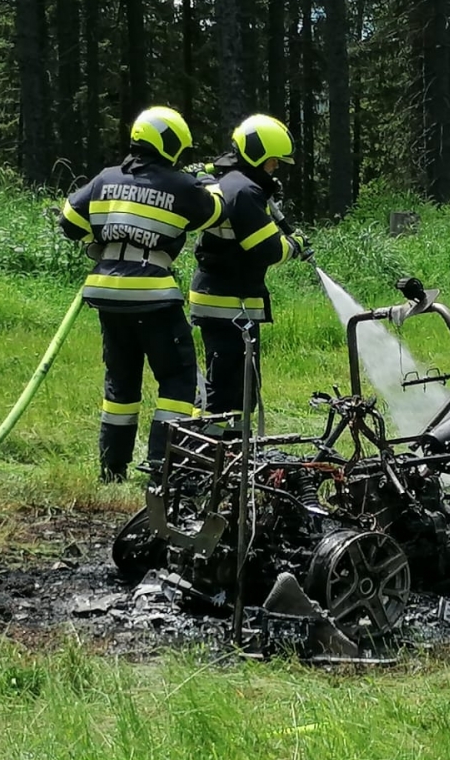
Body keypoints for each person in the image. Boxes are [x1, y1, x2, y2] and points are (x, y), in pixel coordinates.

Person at [59, 106, 224, 482]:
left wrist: (103, 236)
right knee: (177, 380)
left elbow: (68, 220)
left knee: (121, 382)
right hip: (153, 295)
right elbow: (215, 212)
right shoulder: (181, 185)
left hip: (107, 294)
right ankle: (162, 469)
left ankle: (111, 469)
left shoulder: (105, 179)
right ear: (170, 145)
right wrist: (203, 182)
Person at [189, 114, 311, 421]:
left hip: (224, 299)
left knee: (237, 389)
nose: (276, 169)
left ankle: (227, 453)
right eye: (273, 162)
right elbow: (267, 250)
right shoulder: (243, 192)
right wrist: (294, 244)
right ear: (258, 157)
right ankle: (204, 452)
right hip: (229, 304)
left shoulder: (231, 182)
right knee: (226, 391)